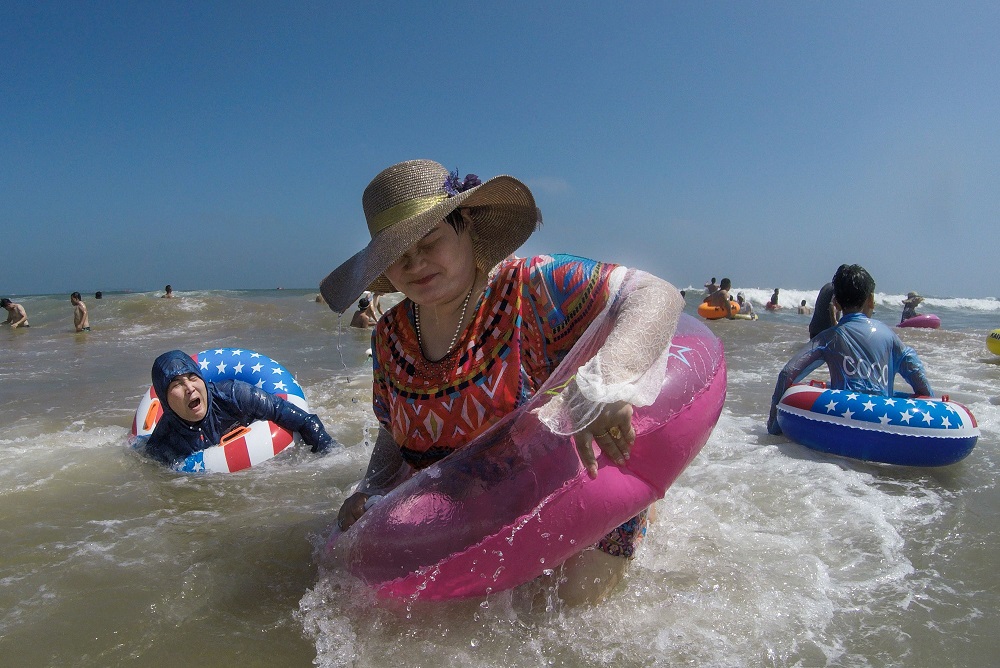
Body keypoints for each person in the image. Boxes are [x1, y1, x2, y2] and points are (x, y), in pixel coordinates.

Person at [319, 159, 683, 606]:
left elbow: (655, 294)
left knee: (569, 619)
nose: (415, 264)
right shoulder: (390, 334)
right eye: (397, 255)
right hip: (463, 512)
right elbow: (391, 434)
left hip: (573, 490)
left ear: (466, 227)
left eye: (429, 242)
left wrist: (606, 384)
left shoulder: (530, 286)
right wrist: (371, 490)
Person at [766, 264, 933, 435]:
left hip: (844, 425)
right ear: (870, 300)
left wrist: (774, 426)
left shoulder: (829, 337)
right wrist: (929, 403)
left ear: (836, 303)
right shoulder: (889, 336)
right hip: (884, 425)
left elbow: (788, 373)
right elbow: (914, 369)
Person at [142, 350, 335, 467]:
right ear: (165, 399)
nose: (190, 388)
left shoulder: (236, 395)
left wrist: (332, 457)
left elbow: (304, 421)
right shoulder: (163, 440)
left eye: (193, 378)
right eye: (176, 384)